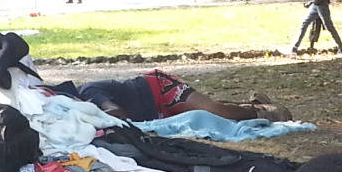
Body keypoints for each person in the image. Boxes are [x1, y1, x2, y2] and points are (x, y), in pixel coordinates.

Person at [79, 70, 291, 122]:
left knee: (213, 110)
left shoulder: (87, 91)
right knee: (209, 111)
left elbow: (117, 113)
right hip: (157, 114)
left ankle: (262, 113)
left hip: (158, 88)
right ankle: (253, 103)